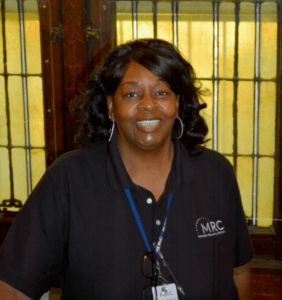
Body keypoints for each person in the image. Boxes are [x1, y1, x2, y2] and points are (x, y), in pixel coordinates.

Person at [0, 39, 254, 299]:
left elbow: (238, 273)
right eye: (131, 94)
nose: (148, 104)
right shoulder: (68, 178)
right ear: (111, 106)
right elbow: (12, 287)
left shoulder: (216, 173)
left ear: (177, 102)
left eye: (161, 92)